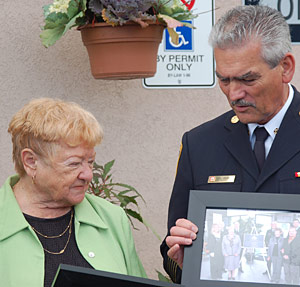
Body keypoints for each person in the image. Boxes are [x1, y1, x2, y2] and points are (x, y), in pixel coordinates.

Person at [160, 5, 298, 283]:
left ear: (285, 68)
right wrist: (182, 259)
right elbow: (172, 256)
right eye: (224, 79)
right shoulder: (199, 143)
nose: (234, 94)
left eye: (248, 79)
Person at [0, 98, 146, 287]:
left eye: (90, 161)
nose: (87, 174)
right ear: (30, 162)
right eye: (74, 164)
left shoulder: (111, 219)